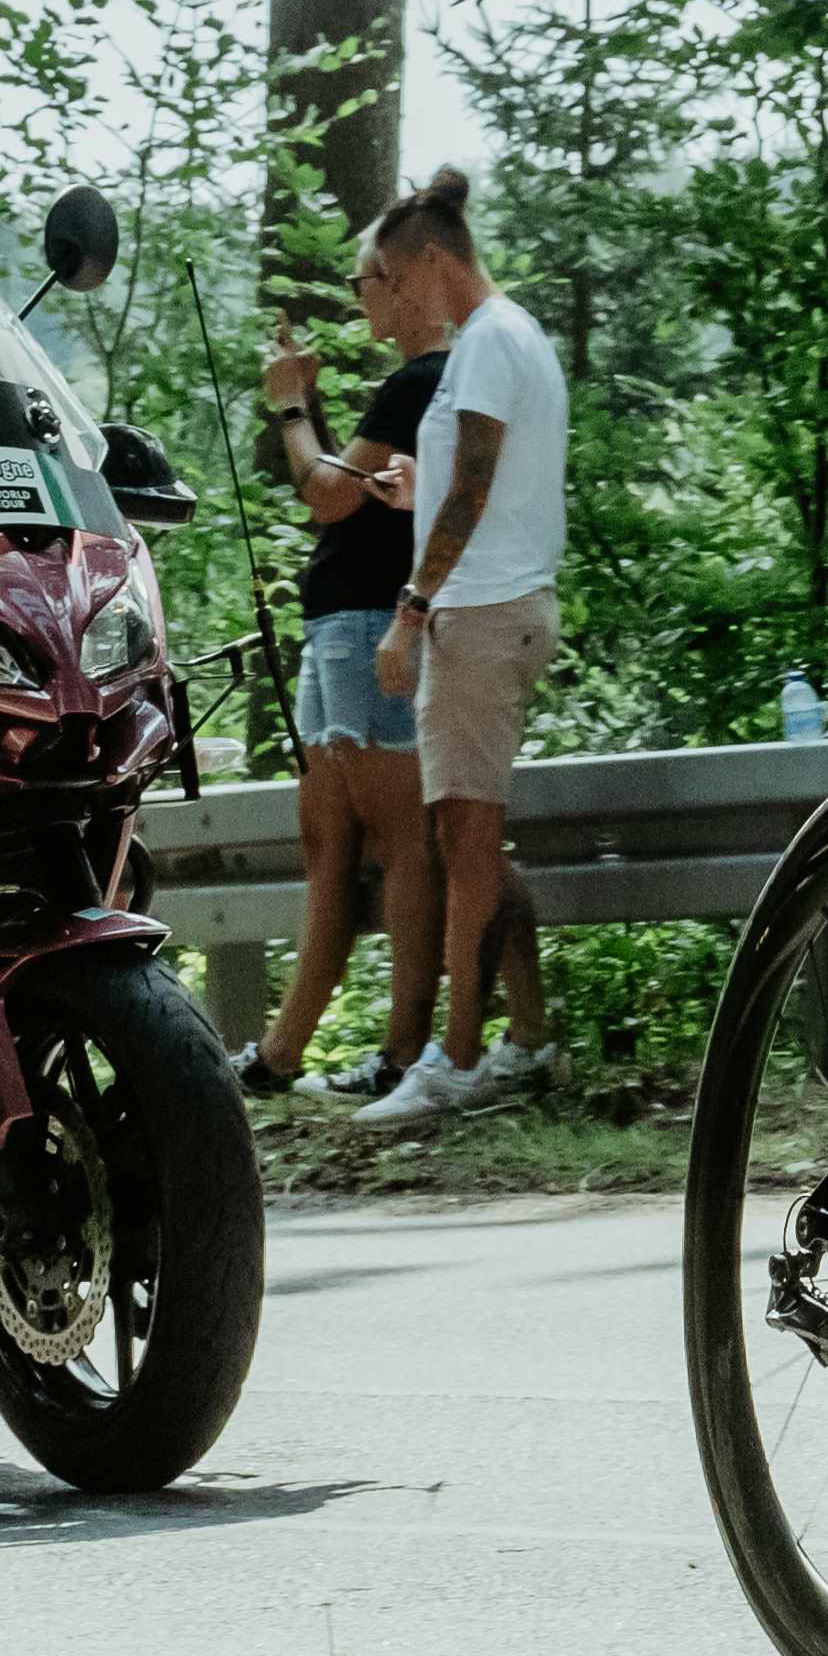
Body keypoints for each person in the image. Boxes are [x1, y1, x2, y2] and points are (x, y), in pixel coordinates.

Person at [354, 172, 570, 1130]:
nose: (396, 303)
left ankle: (461, 1056)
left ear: (435, 262)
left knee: (465, 843)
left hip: (478, 616)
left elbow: (477, 485)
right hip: (492, 604)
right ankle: (526, 1035)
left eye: (395, 282)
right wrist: (416, 489)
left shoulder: (485, 344)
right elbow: (475, 480)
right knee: (470, 839)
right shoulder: (506, 339)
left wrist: (410, 606)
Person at [242, 324, 433, 1102]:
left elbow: (326, 494)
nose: (361, 304)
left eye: (365, 285)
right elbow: (348, 489)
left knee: (400, 841)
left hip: (365, 623)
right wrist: (309, 398)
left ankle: (404, 1055)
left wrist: (291, 406)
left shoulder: (426, 377)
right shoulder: (412, 387)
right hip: (333, 627)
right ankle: (281, 1054)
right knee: (327, 839)